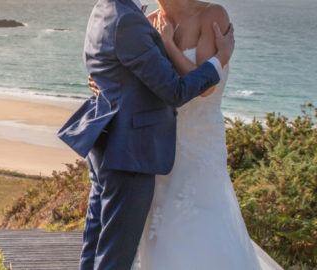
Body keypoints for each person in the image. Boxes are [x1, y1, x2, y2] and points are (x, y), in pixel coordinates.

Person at [80, 0, 284, 268]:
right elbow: (137, 71)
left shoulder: (212, 15)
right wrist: (107, 84)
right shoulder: (145, 20)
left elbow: (203, 88)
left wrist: (169, 45)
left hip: (198, 141)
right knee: (145, 232)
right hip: (154, 143)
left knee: (201, 224)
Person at [57, 0, 233, 268]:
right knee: (115, 251)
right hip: (134, 149)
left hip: (159, 144)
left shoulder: (106, 8)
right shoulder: (134, 19)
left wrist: (109, 83)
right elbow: (174, 91)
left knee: (99, 241)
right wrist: (219, 61)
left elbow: (120, 65)